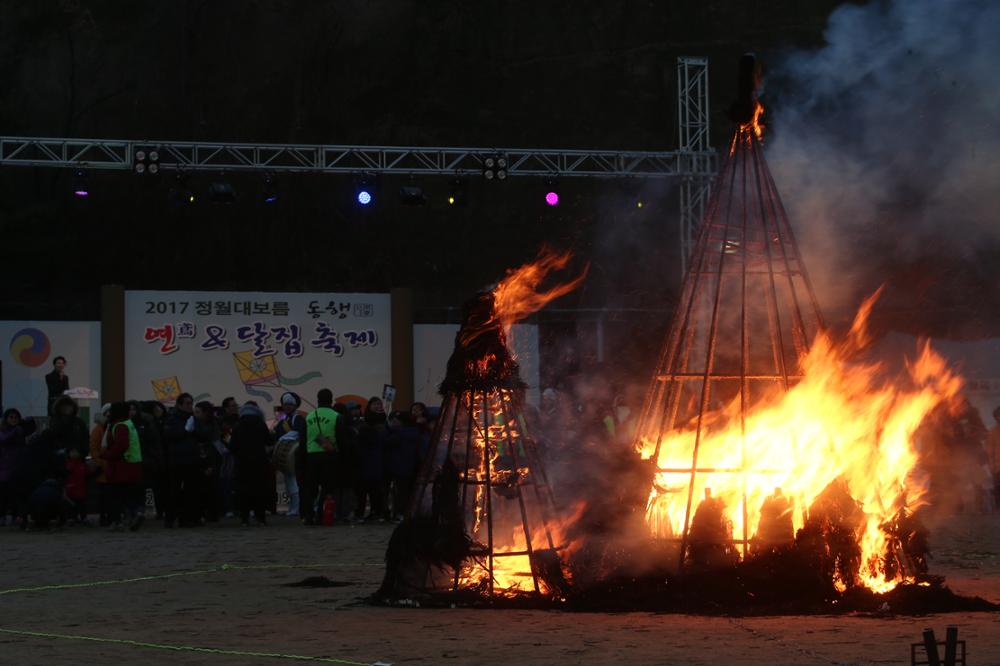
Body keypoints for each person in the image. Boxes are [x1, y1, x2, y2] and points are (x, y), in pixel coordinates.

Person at [102, 401, 144, 531]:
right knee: (128, 493)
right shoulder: (129, 423)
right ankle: (134, 515)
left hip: (121, 465)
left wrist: (107, 454)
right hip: (132, 464)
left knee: (117, 494)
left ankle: (119, 521)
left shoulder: (119, 425)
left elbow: (121, 446)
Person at [228, 401, 271, 525]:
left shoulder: (238, 426)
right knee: (260, 489)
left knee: (243, 490)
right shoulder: (261, 425)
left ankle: (244, 518)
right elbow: (268, 441)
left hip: (242, 463)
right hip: (259, 461)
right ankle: (260, 517)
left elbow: (232, 447)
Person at [302, 389, 340, 525]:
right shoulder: (336, 416)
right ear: (331, 399)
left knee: (311, 488)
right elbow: (341, 438)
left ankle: (308, 515)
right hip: (329, 455)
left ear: (318, 399)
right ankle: (321, 516)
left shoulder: (309, 416)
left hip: (311, 455)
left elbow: (303, 437)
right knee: (326, 487)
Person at [163, 393, 200, 527]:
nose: (190, 406)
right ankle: (170, 519)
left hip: (191, 459)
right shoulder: (172, 418)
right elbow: (169, 435)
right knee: (174, 491)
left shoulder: (193, 418)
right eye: (187, 403)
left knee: (191, 491)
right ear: (180, 405)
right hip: (177, 460)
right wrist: (186, 431)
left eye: (191, 403)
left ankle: (187, 518)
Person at [272, 392, 307, 517]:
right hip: (286, 457)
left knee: (294, 483)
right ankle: (292, 507)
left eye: (289, 404)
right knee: (289, 484)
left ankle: (296, 508)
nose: (287, 407)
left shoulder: (298, 419)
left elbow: (299, 434)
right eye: (285, 404)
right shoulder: (283, 421)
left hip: (295, 456)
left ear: (295, 405)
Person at [355, 397, 387, 521]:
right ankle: (365, 512)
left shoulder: (384, 421)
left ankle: (376, 512)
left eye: (379, 404)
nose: (378, 406)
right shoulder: (364, 423)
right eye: (375, 404)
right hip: (367, 459)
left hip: (377, 459)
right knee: (364, 489)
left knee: (376, 489)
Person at [385, 411, 421, 521]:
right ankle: (406, 512)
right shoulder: (416, 433)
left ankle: (398, 512)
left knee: (399, 492)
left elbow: (387, 442)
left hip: (399, 467)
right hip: (411, 466)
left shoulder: (398, 434)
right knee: (407, 491)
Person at [192, 401, 222, 522]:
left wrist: (211, 465)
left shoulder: (211, 426)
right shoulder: (197, 423)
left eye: (198, 412)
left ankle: (211, 513)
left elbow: (214, 447)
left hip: (209, 458)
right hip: (200, 458)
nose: (195, 414)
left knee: (210, 488)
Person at [0, 409, 26, 524]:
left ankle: (16, 516)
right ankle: (2, 515)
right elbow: (3, 439)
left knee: (16, 493)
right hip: (4, 466)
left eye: (16, 417)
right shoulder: (4, 431)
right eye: (11, 417)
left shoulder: (20, 431)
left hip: (17, 465)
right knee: (3, 494)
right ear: (6, 419)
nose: (14, 419)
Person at [89, 404, 112, 525]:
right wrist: (101, 463)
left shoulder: (101, 428)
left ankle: (109, 516)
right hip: (103, 467)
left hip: (109, 467)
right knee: (104, 496)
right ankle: (104, 516)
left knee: (110, 495)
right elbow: (94, 448)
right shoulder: (98, 429)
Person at [46, 395, 89, 460]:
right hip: (61, 459)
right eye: (64, 406)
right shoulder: (54, 422)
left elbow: (85, 439)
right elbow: (53, 440)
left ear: (73, 407)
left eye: (69, 405)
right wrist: (67, 452)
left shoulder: (79, 422)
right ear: (59, 407)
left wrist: (81, 453)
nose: (67, 408)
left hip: (79, 458)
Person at [989, 406, 1000, 508]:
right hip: (998, 466)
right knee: (998, 488)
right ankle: (998, 508)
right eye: (998, 415)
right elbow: (990, 452)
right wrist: (992, 467)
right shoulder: (993, 432)